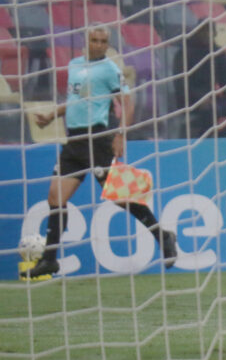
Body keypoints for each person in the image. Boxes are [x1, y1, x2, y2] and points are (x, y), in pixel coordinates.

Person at [22, 24, 178, 278]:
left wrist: (120, 134)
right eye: (94, 40)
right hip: (74, 141)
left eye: (103, 41)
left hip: (97, 139)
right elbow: (75, 101)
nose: (98, 44)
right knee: (55, 198)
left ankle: (163, 236)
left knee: (119, 196)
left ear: (107, 44)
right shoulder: (74, 64)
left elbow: (127, 103)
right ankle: (49, 260)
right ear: (87, 40)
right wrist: (53, 114)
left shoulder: (109, 70)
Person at [173, 21, 226, 138]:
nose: (208, 35)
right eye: (205, 31)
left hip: (211, 97)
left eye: (210, 32)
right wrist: (200, 98)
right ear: (197, 32)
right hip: (189, 99)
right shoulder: (184, 52)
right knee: (210, 111)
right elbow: (180, 84)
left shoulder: (217, 52)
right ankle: (205, 141)